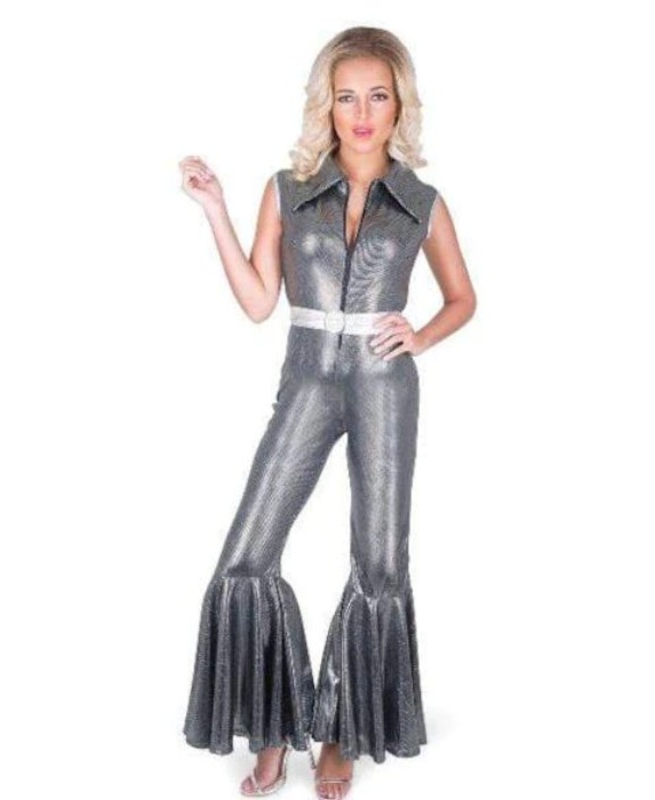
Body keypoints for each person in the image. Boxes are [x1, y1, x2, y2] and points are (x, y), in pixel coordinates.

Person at [178, 26, 476, 800]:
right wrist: (214, 209)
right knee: (245, 557)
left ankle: (341, 730)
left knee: (380, 561)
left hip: (383, 383)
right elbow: (258, 302)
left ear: (399, 103)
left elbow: (463, 298)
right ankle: (273, 727)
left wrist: (420, 335)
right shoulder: (288, 188)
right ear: (327, 105)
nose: (362, 113)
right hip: (308, 378)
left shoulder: (421, 202)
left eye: (378, 96)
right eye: (347, 97)